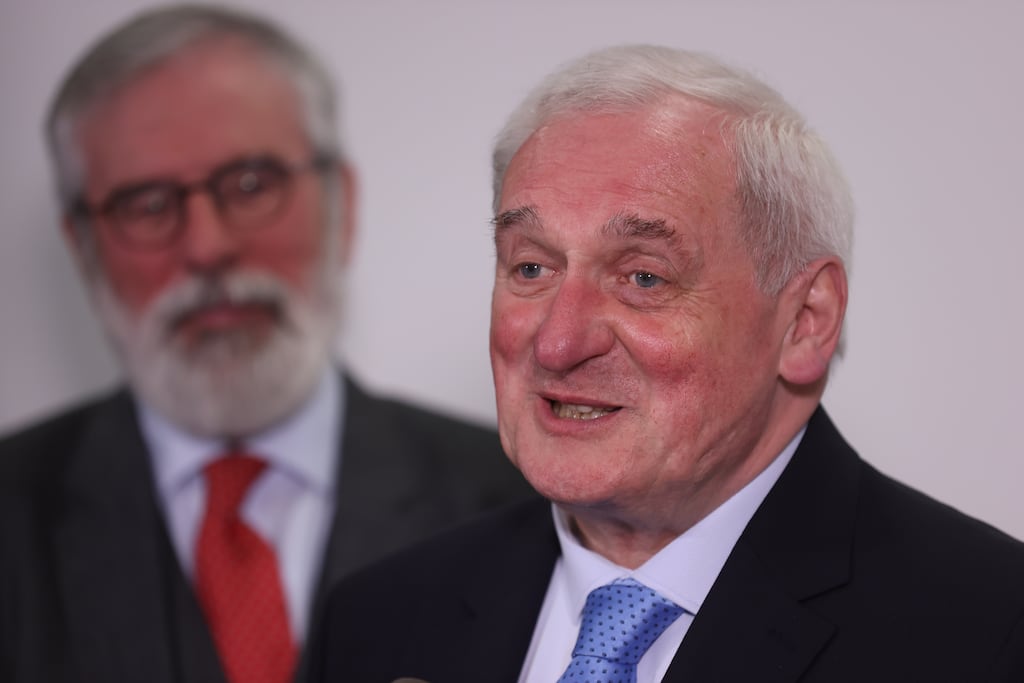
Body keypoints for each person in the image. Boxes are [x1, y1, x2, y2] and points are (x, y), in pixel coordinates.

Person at [307, 45, 1024, 682]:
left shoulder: (990, 629)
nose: (558, 343)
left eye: (643, 277)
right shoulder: (380, 621)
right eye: (531, 266)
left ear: (805, 321)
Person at [0, 5, 532, 683]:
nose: (207, 247)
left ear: (342, 203)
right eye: (147, 204)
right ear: (83, 248)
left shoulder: (524, 503)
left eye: (251, 184)